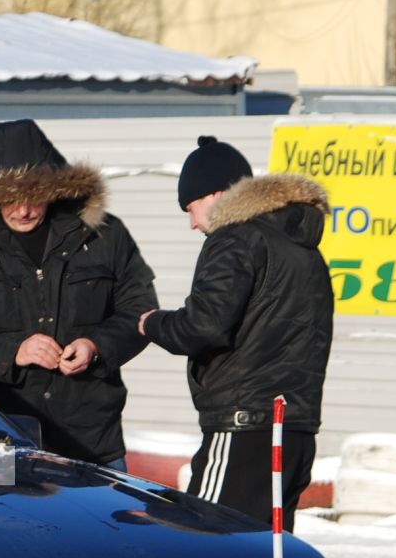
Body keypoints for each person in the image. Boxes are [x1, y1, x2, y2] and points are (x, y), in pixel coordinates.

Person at [0, 119, 157, 469]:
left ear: (55, 189)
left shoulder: (105, 236)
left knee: (97, 526)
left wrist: (96, 347)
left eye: (34, 196)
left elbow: (140, 312)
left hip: (91, 439)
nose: (24, 210)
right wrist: (13, 352)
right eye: (10, 199)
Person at [139, 136, 333, 528]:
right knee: (267, 555)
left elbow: (203, 326)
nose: (193, 223)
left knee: (204, 544)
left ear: (216, 194)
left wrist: (152, 323)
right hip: (295, 429)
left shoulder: (235, 238)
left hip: (243, 426)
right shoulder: (305, 250)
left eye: (190, 208)